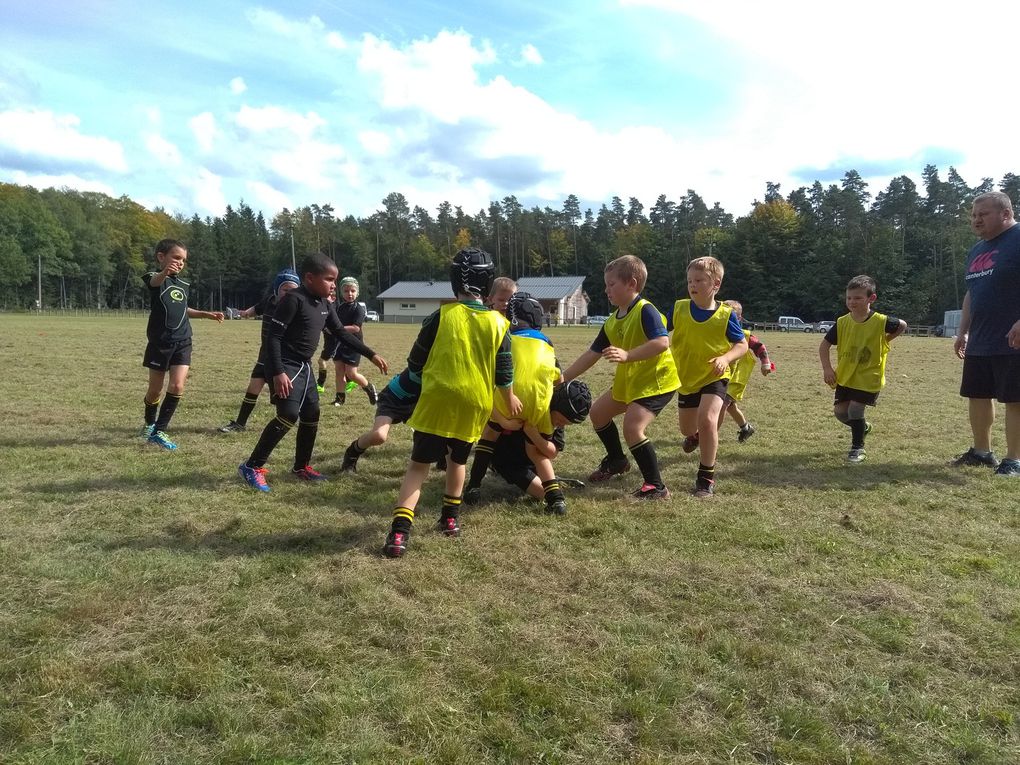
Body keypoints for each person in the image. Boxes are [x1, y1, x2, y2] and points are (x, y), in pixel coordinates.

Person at [382, 247, 522, 558]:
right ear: (488, 286)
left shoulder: (441, 316)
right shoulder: (500, 325)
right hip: (473, 405)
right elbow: (504, 370)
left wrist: (410, 387)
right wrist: (509, 398)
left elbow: (416, 362)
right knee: (457, 462)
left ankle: (399, 534)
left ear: (452, 282)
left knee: (418, 466)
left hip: (437, 400)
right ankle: (450, 519)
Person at [237, 253, 388, 492]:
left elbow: (341, 332)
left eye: (335, 280)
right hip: (285, 365)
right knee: (288, 414)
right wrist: (277, 372)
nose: (333, 286)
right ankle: (252, 466)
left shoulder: (325, 303)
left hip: (304, 366)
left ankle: (301, 467)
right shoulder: (293, 300)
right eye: (329, 279)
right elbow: (272, 338)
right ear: (309, 278)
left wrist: (371, 354)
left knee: (312, 413)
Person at [560, 254, 679, 500]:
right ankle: (616, 461)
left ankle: (656, 487)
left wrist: (627, 355)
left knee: (633, 428)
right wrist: (562, 378)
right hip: (631, 382)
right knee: (598, 413)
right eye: (606, 285)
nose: (606, 290)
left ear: (631, 284)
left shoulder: (646, 310)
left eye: (611, 284)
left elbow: (661, 342)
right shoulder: (613, 321)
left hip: (657, 382)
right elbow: (591, 354)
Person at [463, 293, 573, 514]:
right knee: (537, 454)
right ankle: (556, 500)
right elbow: (559, 380)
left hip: (508, 400)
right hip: (539, 405)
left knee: (488, 437)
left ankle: (474, 486)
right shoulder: (547, 344)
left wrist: (502, 419)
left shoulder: (505, 336)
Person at [952, 191, 1020, 476]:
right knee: (977, 395)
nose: (976, 220)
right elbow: (972, 292)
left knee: (1015, 398)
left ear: (1005, 214)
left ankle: (1014, 460)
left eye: (983, 214)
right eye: (973, 215)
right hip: (981, 337)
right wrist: (963, 331)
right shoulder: (977, 249)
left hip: (1013, 338)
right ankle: (982, 452)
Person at [669, 257, 748, 497]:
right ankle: (694, 437)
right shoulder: (680, 308)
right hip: (686, 379)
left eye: (699, 280)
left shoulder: (726, 315)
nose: (692, 285)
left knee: (708, 420)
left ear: (716, 284)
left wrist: (725, 359)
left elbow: (742, 345)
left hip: (715, 376)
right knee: (688, 429)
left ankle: (706, 477)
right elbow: (663, 333)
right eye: (690, 280)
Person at [140, 238, 224, 450]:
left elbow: (183, 309)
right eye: (176, 257)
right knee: (155, 390)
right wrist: (164, 272)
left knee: (177, 385)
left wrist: (206, 314)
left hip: (183, 340)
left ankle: (159, 431)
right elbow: (155, 283)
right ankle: (149, 423)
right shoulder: (154, 278)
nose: (180, 262)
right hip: (160, 343)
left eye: (184, 260)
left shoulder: (183, 285)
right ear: (161, 257)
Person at [819, 275, 906, 464]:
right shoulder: (842, 322)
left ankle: (857, 448)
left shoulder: (881, 321)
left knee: (856, 410)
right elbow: (824, 346)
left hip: (869, 377)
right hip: (846, 376)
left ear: (871, 299)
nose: (852, 302)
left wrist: (885, 340)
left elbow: (902, 325)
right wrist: (827, 368)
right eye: (849, 298)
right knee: (841, 413)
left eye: (858, 298)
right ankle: (862, 428)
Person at [466, 379, 592, 508]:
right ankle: (478, 481)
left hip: (532, 463)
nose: (561, 424)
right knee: (542, 493)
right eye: (561, 420)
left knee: (545, 491)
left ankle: (552, 481)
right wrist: (506, 423)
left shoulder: (556, 420)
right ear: (554, 403)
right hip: (509, 462)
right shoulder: (530, 404)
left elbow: (552, 452)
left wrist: (533, 434)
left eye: (566, 423)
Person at [219, 268, 301, 433]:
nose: (289, 293)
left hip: (281, 360)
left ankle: (287, 421)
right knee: (253, 388)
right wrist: (245, 313)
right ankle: (240, 424)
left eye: (293, 291)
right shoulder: (269, 301)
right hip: (264, 356)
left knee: (282, 396)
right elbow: (256, 309)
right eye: (285, 289)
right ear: (277, 289)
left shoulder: (295, 308)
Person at [718, 300, 774, 442]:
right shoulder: (717, 334)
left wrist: (766, 363)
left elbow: (760, 347)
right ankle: (746, 428)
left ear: (739, 319)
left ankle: (707, 434)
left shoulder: (744, 335)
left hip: (737, 378)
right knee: (730, 407)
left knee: (722, 405)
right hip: (721, 376)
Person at [327, 276, 377, 407]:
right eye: (346, 291)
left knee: (351, 373)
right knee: (339, 371)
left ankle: (369, 387)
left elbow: (355, 328)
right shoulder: (339, 307)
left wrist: (337, 329)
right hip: (339, 343)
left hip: (353, 345)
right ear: (341, 292)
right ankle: (340, 399)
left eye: (352, 291)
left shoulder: (358, 309)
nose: (349, 294)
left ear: (357, 292)